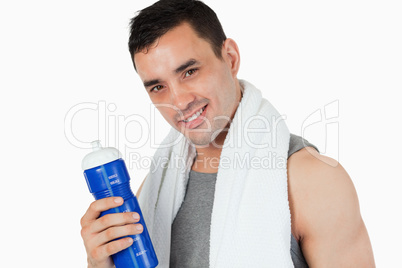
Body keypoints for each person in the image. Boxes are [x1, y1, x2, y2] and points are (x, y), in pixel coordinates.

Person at [80, 0, 375, 267]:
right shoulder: (155, 188)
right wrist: (100, 264)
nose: (179, 102)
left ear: (231, 58)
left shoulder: (313, 179)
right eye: (158, 87)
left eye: (189, 72)